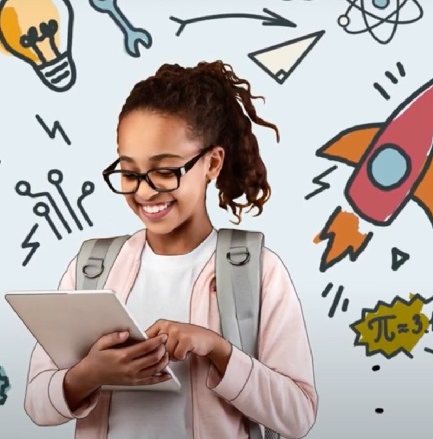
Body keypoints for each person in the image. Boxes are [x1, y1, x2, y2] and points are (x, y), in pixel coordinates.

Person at [23, 61, 318, 439]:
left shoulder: (257, 270)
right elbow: (36, 402)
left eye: (165, 171)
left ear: (211, 163)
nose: (144, 191)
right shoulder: (93, 267)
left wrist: (218, 350)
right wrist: (91, 374)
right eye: (129, 173)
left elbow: (298, 415)